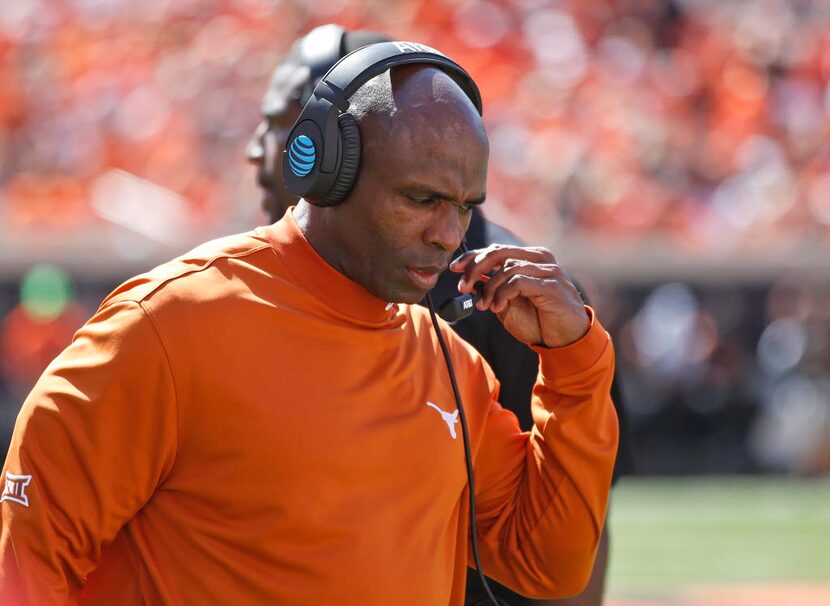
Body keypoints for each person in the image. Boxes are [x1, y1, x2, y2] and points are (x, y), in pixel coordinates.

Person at [0, 39, 618, 604]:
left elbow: (549, 565)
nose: (447, 234)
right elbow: (26, 559)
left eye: (464, 207)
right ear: (329, 172)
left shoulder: (448, 360)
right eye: (422, 199)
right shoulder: (166, 325)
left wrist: (573, 362)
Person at [246, 25, 630, 606]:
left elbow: (574, 532)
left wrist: (573, 362)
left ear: (338, 145)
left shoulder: (511, 302)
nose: (260, 147)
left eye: (280, 122)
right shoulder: (237, 296)